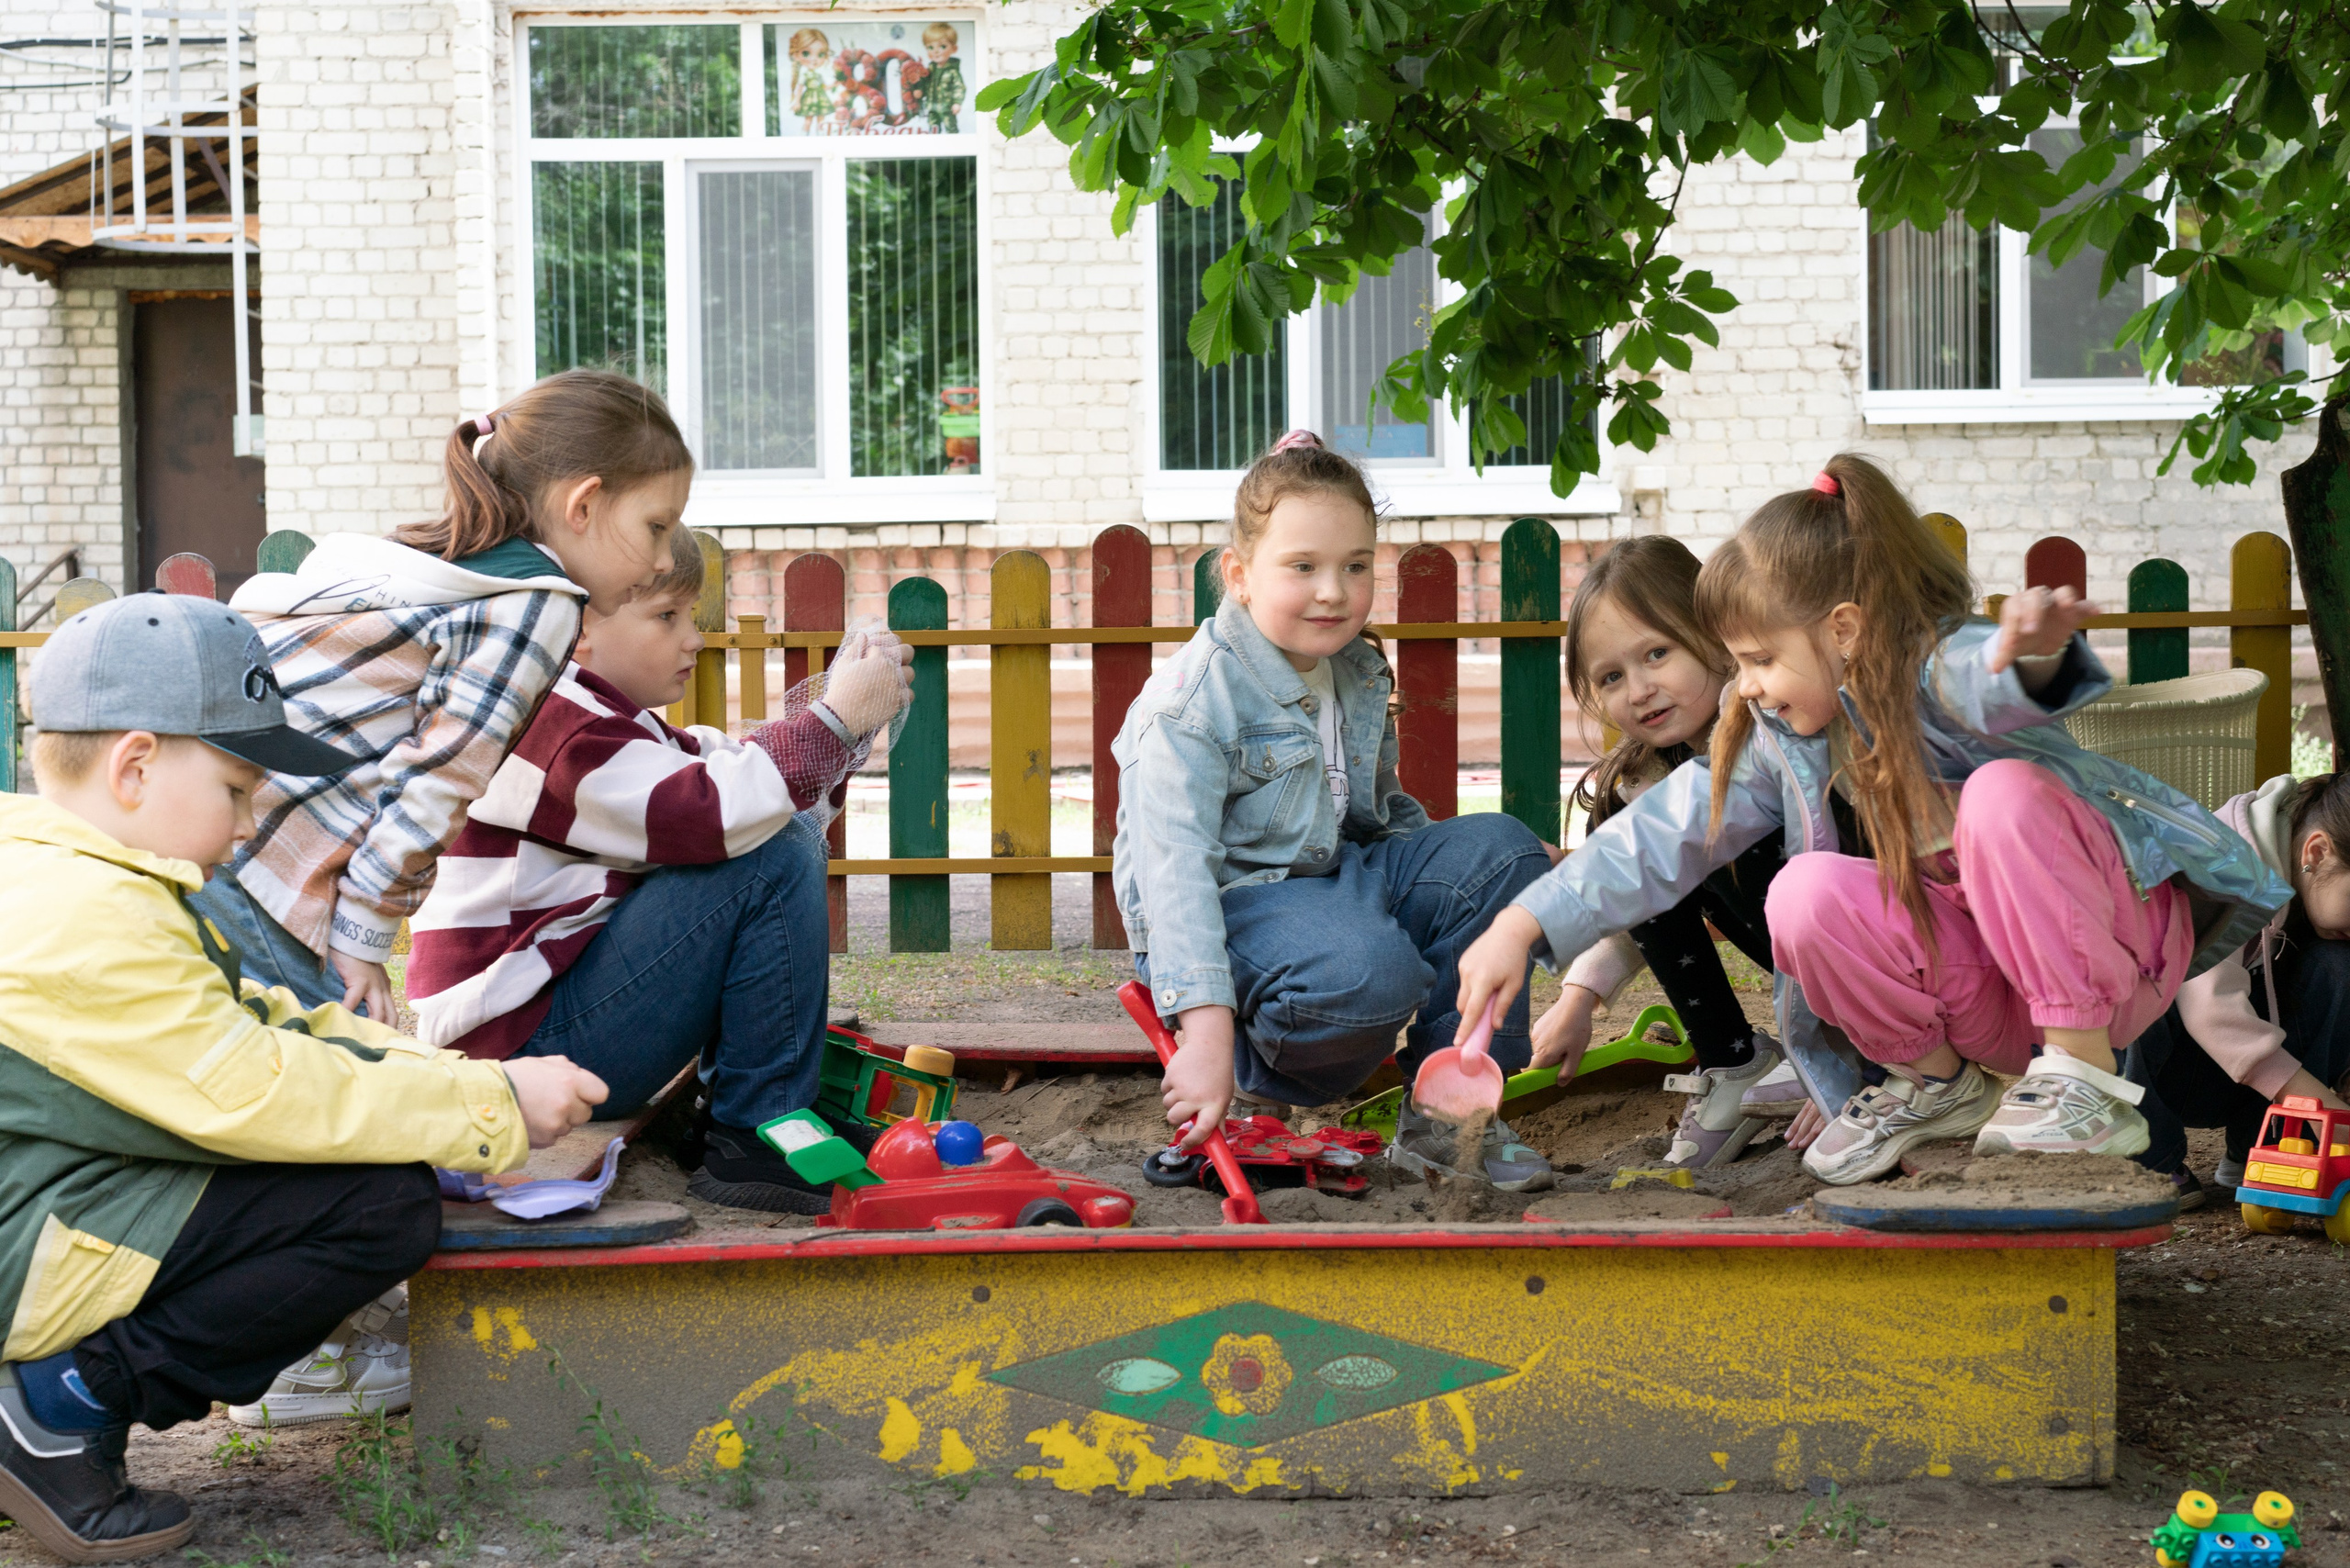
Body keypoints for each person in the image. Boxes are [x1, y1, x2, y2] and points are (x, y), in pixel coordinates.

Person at [1449, 454, 2288, 1186]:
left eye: (1760, 659)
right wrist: (1523, 925)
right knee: (1804, 891)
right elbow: (1658, 835)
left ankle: (2082, 1077)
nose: (1746, 685)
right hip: (1989, 996)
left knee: (2000, 792)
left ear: (1844, 631)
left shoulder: (1936, 668)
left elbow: (1982, 679)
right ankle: (1935, 1084)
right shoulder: (1784, 741)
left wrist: (2025, 660)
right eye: (1738, 662)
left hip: (2108, 956)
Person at [0, 595, 604, 1564]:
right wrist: (490, 1108)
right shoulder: (87, 918)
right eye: (236, 788)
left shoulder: (68, 875)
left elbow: (269, 1024)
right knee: (369, 1207)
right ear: (135, 766)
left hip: (33, 1195)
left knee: (353, 1174)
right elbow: (256, 1089)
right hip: (21, 1234)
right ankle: (59, 1403)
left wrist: (471, 1082)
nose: (248, 825)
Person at [191, 368, 685, 1424]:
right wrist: (363, 935)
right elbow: (438, 783)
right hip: (287, 887)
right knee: (331, 1116)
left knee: (283, 1107)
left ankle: (302, 1339)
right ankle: (304, 1363)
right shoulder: (533, 602)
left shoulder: (425, 565)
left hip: (220, 853)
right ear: (584, 503)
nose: (660, 555)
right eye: (655, 524)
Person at [404, 543, 911, 1215]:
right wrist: (835, 720)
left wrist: (841, 723)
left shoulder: (593, 715)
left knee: (772, 834)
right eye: (667, 616)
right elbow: (710, 809)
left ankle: (749, 1110)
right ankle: (758, 1128)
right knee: (770, 852)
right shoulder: (551, 729)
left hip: (543, 1029)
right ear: (577, 630)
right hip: (526, 1051)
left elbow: (730, 771)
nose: (692, 638)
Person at [1111, 431, 1556, 1192]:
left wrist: (1477, 885)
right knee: (1370, 974)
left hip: (1332, 887)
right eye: (1303, 567)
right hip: (1232, 916)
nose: (1334, 591)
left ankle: (1449, 1119)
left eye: (1355, 566)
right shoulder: (1189, 705)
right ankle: (1257, 1064)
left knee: (1506, 853)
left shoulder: (1352, 668)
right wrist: (1206, 1035)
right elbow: (1174, 880)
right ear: (1240, 575)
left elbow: (1375, 817)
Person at [1533, 536, 1793, 1168]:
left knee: (1704, 817)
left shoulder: (1777, 727)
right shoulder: (1647, 777)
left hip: (1867, 957)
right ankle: (1734, 1061)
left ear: (1715, 636)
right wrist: (1579, 999)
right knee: (1639, 826)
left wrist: (1833, 1060)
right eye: (1612, 677)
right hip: (1792, 951)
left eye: (1657, 653)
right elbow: (1640, 897)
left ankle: (1851, 1053)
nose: (1640, 689)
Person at [2127, 772, 2350, 1208]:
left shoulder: (2314, 887)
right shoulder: (2224, 858)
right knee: (2137, 978)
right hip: (2159, 1061)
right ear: (2317, 852)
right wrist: (2325, 1108)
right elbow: (2210, 1009)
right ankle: (2146, 1158)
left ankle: (2266, 1146)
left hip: (2230, 1073)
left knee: (2339, 966)